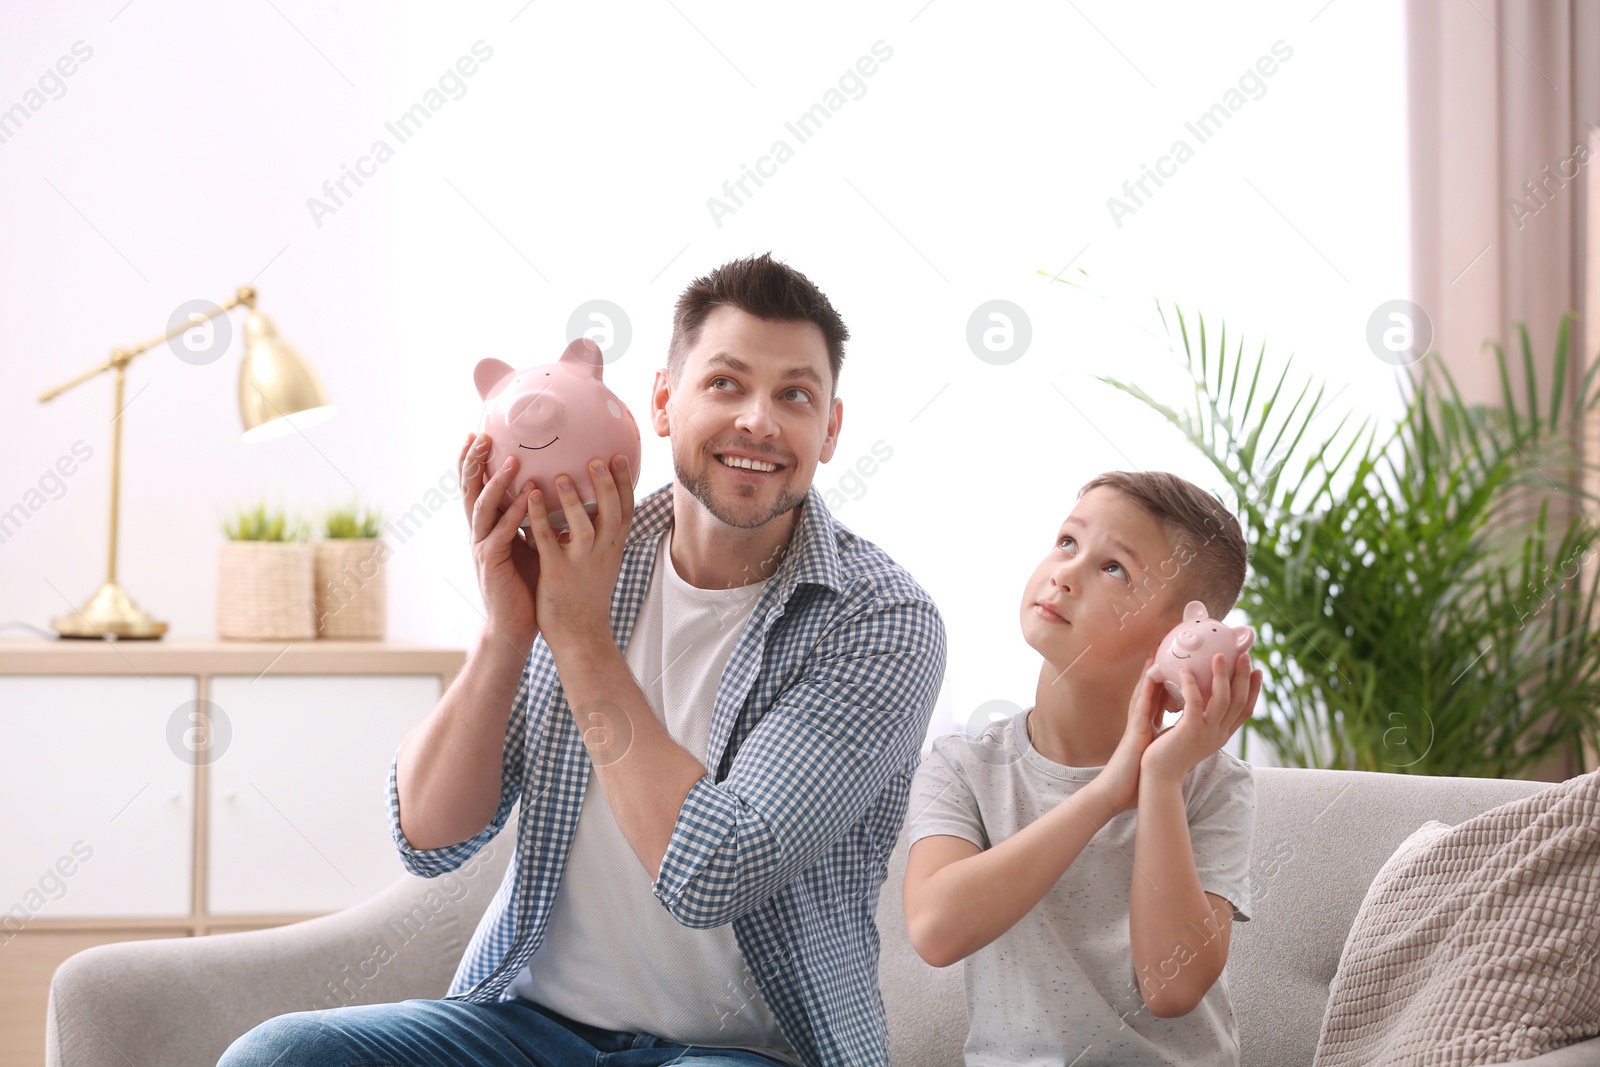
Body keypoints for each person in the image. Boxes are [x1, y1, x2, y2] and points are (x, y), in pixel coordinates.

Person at [217, 252, 947, 1067]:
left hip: (744, 1052)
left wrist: (581, 640)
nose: (759, 422)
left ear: (832, 429)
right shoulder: (591, 553)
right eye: (726, 384)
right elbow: (428, 837)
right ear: (664, 403)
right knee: (278, 1056)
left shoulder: (882, 621)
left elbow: (713, 873)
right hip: (531, 1029)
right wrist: (507, 630)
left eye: (795, 396)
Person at [902, 471, 1262, 1066]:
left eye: (1114, 568)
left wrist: (1161, 781)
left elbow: (1170, 988)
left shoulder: (1210, 784)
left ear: (1177, 637)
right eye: (1068, 542)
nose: (1065, 572)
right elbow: (936, 931)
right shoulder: (963, 768)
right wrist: (1105, 794)